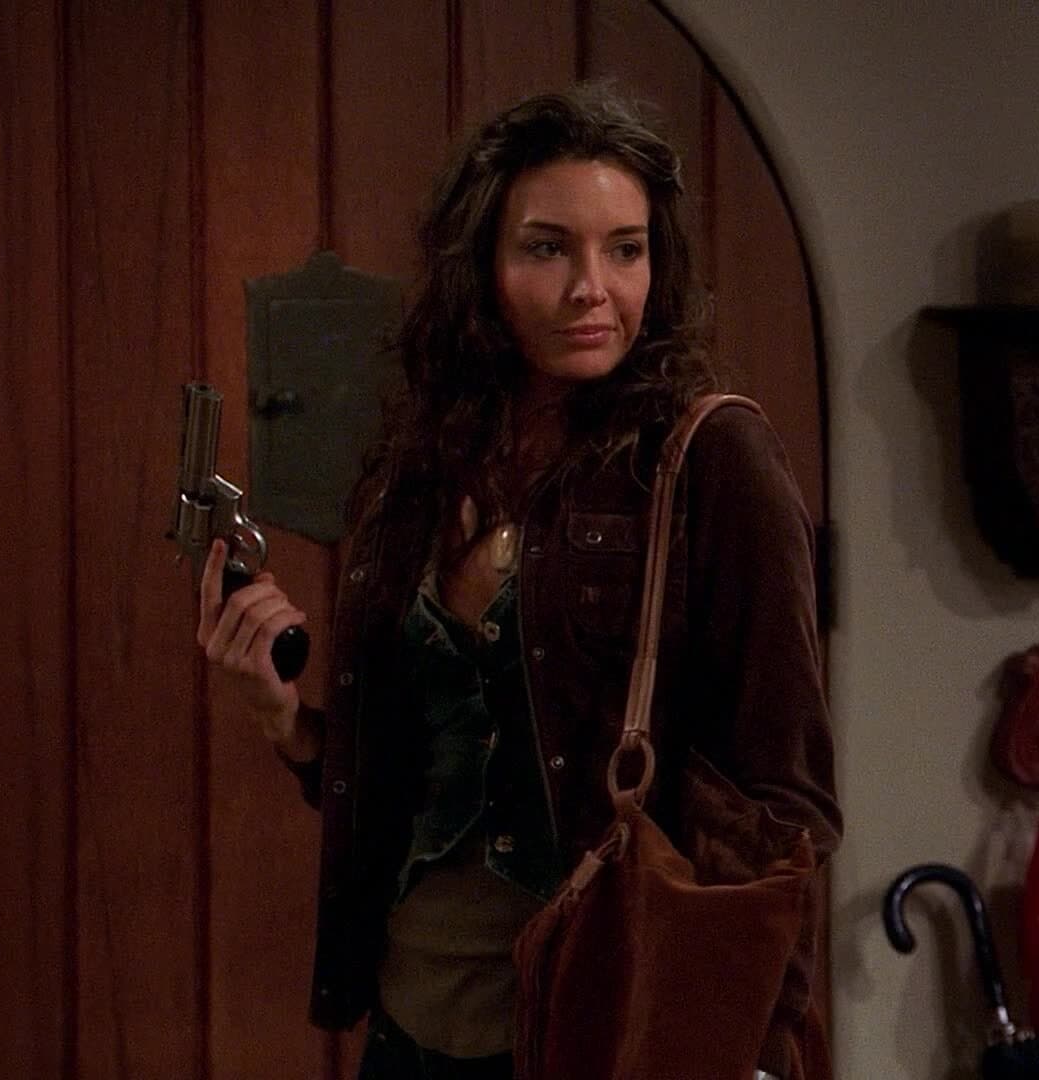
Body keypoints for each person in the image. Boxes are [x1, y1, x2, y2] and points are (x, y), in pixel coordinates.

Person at [196, 83, 840, 1080]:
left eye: (626, 249)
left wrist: (751, 1045)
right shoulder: (420, 465)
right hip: (412, 1025)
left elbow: (784, 805)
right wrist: (284, 719)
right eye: (548, 248)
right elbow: (416, 774)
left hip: (605, 1035)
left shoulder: (709, 458)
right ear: (481, 266)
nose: (593, 287)